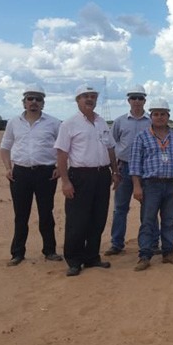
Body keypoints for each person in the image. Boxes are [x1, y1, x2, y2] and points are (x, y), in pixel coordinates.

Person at [54, 84, 119, 277]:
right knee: (77, 220)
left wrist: (115, 171)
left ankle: (92, 257)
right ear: (77, 100)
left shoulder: (101, 122)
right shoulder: (69, 124)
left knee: (98, 218)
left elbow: (110, 149)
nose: (89, 99)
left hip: (102, 176)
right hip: (80, 176)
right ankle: (74, 260)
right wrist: (65, 181)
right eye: (85, 96)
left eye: (92, 96)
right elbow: (61, 154)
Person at [0, 85, 63, 266]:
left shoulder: (54, 123)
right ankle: (17, 253)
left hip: (46, 173)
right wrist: (7, 167)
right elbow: (5, 146)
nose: (34, 102)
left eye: (38, 99)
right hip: (20, 173)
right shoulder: (14, 122)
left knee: (46, 213)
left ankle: (49, 250)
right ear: (24, 102)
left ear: (43, 103)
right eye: (30, 98)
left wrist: (59, 166)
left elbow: (63, 147)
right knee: (21, 215)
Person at [130, 99, 173, 271]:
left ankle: (168, 252)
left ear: (168, 116)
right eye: (156, 114)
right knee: (148, 221)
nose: (160, 117)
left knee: (169, 221)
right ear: (151, 116)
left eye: (163, 114)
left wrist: (172, 171)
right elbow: (134, 164)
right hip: (151, 185)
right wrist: (137, 187)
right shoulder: (142, 137)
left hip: (172, 185)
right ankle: (144, 255)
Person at [105, 85, 151, 257]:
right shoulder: (120, 121)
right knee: (120, 208)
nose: (137, 101)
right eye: (133, 98)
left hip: (146, 169)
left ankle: (151, 243)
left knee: (149, 208)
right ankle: (116, 243)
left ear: (145, 100)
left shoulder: (151, 121)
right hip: (124, 168)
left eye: (140, 98)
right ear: (128, 100)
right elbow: (112, 143)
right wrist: (115, 169)